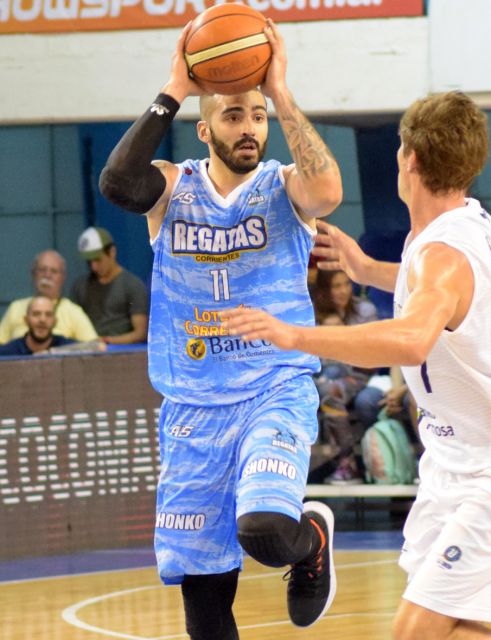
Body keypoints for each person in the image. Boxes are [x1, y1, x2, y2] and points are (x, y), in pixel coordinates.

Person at [223, 90, 491, 640]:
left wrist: (295, 336)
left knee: (414, 631)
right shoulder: (458, 223)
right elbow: (438, 292)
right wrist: (366, 269)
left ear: (410, 158)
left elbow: (411, 339)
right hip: (457, 461)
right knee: (459, 628)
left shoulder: (443, 254)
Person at [97, 19, 342, 638]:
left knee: (264, 529)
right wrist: (175, 87)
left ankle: (310, 539)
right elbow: (117, 183)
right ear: (205, 130)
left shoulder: (283, 186)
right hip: (193, 405)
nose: (249, 128)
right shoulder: (172, 187)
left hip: (272, 389)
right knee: (205, 604)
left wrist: (279, 92)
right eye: (234, 116)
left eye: (257, 117)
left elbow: (328, 191)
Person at [312, 269, 383, 484]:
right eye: (336, 286)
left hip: (358, 374)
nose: (343, 291)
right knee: (325, 381)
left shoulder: (365, 311)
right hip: (323, 375)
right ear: (324, 291)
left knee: (329, 388)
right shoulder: (312, 313)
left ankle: (346, 462)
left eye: (346, 284)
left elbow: (373, 354)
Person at [71, 226, 149, 344]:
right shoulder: (79, 286)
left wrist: (107, 341)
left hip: (123, 351)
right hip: (87, 349)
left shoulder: (133, 285)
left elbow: (141, 333)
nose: (94, 267)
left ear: (112, 252)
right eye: (89, 262)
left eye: (98, 260)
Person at [0, 250, 98, 344]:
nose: (47, 275)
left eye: (54, 271)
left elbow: (94, 347)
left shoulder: (73, 312)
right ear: (33, 274)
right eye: (42, 270)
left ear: (63, 277)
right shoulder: (15, 308)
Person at [0, 296, 77, 356]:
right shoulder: (8, 352)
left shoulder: (69, 348)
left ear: (55, 321)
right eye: (36, 314)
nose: (42, 320)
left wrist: (51, 352)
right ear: (26, 320)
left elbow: (84, 349)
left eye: (48, 315)